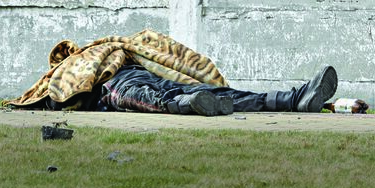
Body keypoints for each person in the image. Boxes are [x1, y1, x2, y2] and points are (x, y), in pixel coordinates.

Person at [95, 64, 339, 117]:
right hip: (126, 82)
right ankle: (292, 99)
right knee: (213, 95)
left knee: (215, 92)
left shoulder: (85, 62)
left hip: (132, 79)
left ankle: (297, 98)